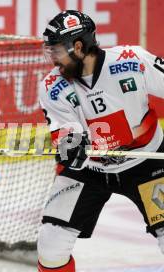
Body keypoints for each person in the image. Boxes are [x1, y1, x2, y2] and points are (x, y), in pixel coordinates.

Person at [38, 9, 164, 271]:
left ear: (79, 47)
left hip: (147, 163)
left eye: (57, 51)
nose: (53, 60)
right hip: (89, 170)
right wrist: (70, 146)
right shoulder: (52, 86)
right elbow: (65, 130)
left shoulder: (133, 60)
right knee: (50, 247)